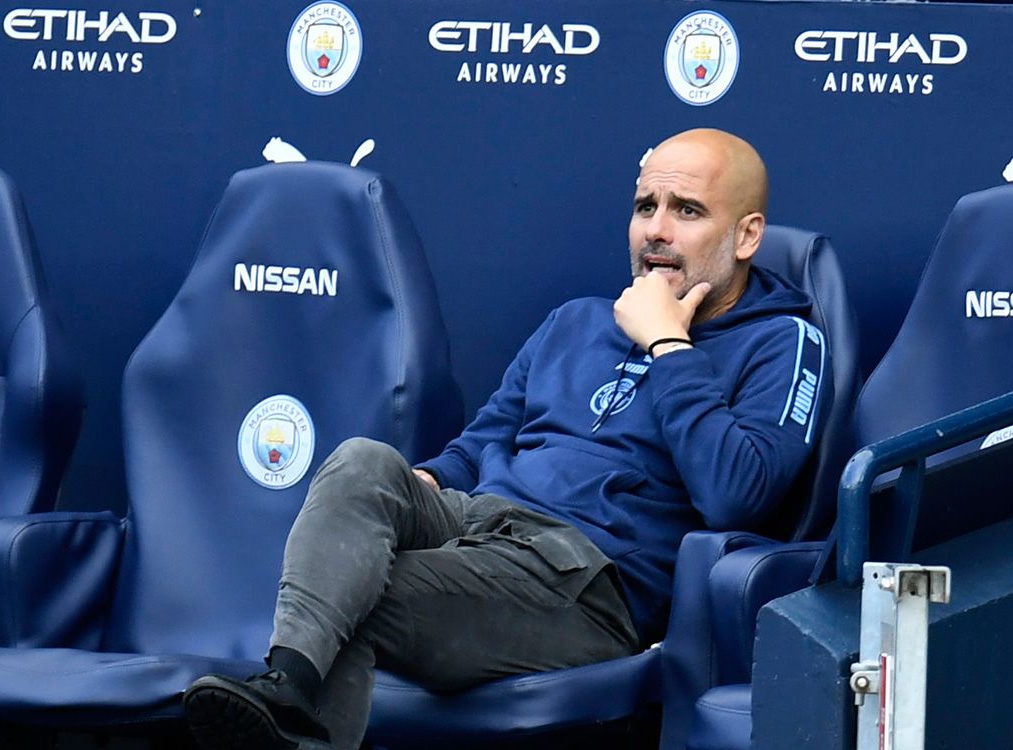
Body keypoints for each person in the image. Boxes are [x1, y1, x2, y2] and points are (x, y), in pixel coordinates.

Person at [183, 128, 831, 750]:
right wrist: (399, 503)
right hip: (480, 529)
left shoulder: (781, 341)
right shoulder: (575, 322)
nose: (656, 229)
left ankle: (286, 716)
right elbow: (476, 448)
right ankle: (286, 689)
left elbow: (736, 496)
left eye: (687, 210)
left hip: (587, 583)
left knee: (355, 602)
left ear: (747, 236)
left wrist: (668, 343)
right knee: (361, 463)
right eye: (645, 207)